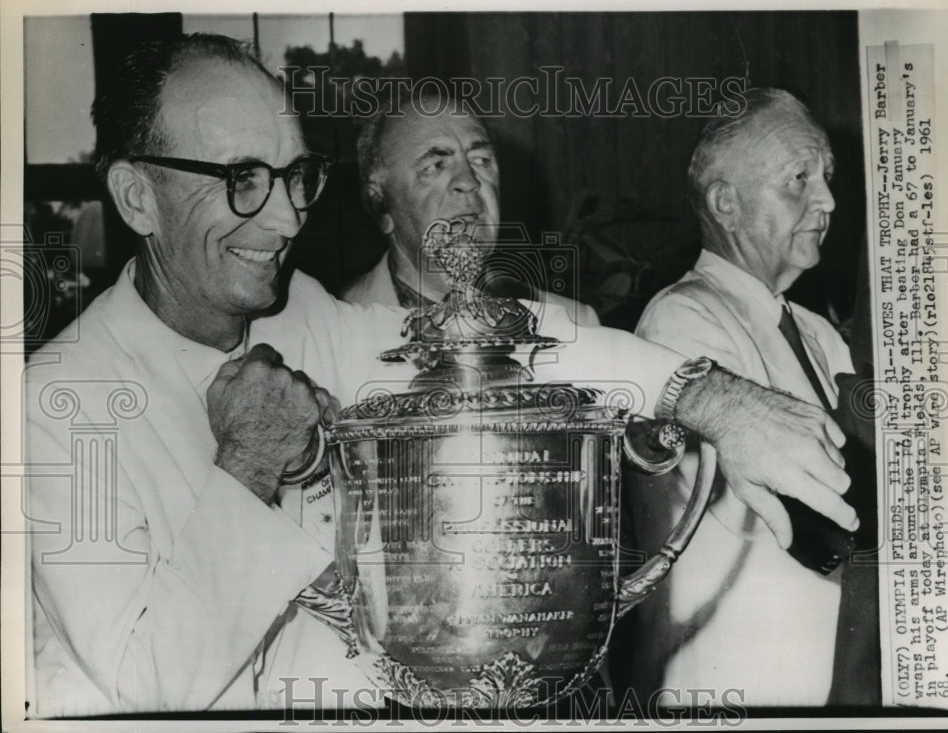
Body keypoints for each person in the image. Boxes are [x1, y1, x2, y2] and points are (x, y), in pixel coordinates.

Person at [24, 40, 856, 716]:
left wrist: (711, 398)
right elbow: (144, 690)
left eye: (294, 176)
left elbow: (522, 348)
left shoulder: (304, 317)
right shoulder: (63, 402)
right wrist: (246, 468)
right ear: (136, 197)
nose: (284, 219)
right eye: (242, 180)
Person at [618, 88, 863, 707]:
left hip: (837, 687)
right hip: (736, 693)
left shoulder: (818, 332)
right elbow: (823, 525)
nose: (828, 199)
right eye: (798, 179)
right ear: (726, 203)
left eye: (827, 177)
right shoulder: (681, 323)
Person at [338, 91, 600, 327]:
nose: (469, 181)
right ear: (380, 206)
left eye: (481, 160)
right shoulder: (330, 327)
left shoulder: (573, 324)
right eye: (435, 166)